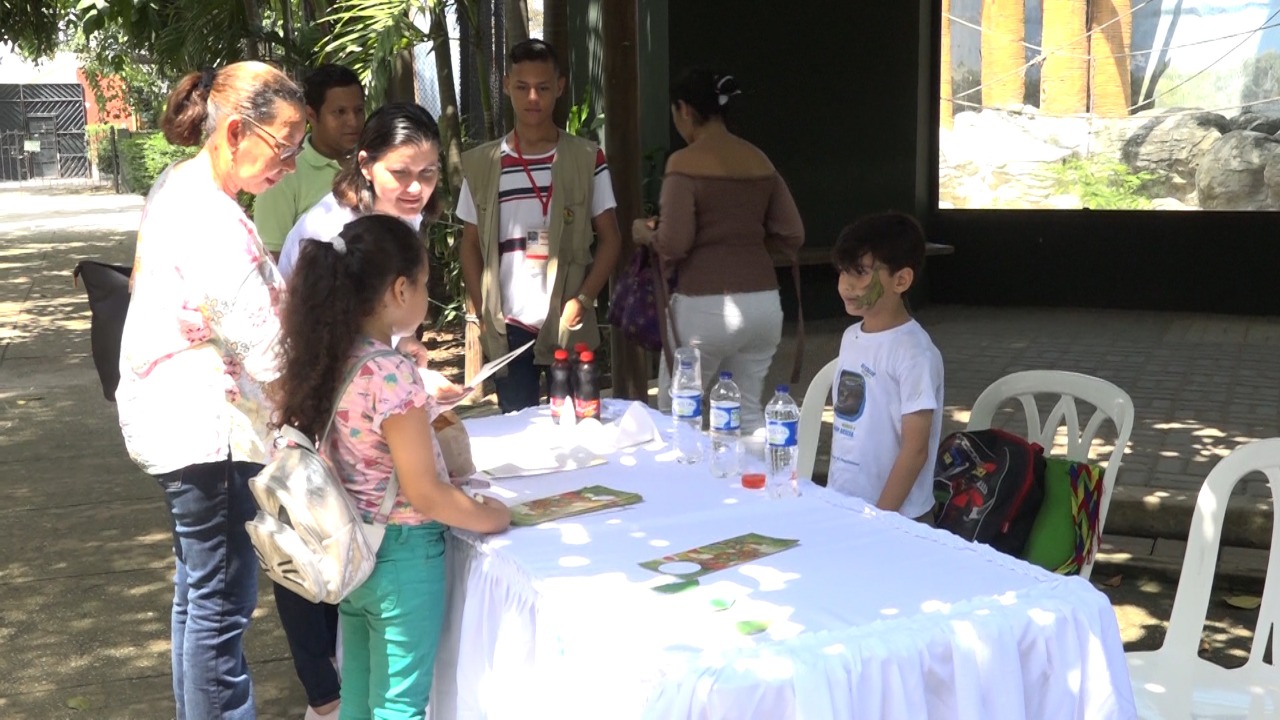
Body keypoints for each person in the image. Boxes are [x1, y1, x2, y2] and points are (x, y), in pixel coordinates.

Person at [115, 61, 305, 719]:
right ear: (231, 133)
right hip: (209, 431)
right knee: (220, 608)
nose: (289, 163)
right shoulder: (212, 216)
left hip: (180, 422)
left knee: (200, 600)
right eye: (283, 147)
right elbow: (265, 346)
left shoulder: (180, 184)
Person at [275, 214, 511, 720]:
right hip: (405, 558)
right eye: (425, 283)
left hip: (356, 552)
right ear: (400, 290)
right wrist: (491, 515)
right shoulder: (392, 376)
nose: (427, 294)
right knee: (400, 705)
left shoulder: (334, 355)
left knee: (358, 697)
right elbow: (424, 492)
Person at [273, 102, 457, 720]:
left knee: (364, 682)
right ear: (366, 165)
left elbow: (375, 331)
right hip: (342, 479)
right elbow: (312, 340)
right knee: (387, 694)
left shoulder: (401, 223)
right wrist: (399, 379)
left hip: (362, 501)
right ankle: (317, 696)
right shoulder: (327, 234)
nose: (416, 188)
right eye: (403, 172)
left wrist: (408, 360)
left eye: (429, 174)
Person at [632, 68, 804, 434]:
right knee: (749, 413)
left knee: (677, 414)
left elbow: (674, 243)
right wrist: (746, 240)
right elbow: (793, 234)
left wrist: (644, 234)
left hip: (703, 306)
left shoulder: (683, 163)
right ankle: (758, 487)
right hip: (764, 304)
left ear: (684, 110)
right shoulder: (760, 160)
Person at [458, 38, 622, 413]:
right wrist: (484, 309)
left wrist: (583, 298)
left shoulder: (585, 158)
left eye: (543, 87)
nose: (533, 97)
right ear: (505, 85)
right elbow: (468, 243)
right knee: (519, 430)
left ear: (560, 87)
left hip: (568, 318)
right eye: (522, 87)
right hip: (509, 323)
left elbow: (611, 238)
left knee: (580, 428)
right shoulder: (483, 165)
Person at [826, 211, 944, 522]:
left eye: (861, 273)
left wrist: (880, 519)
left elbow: (915, 449)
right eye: (843, 272)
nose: (847, 285)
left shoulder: (914, 352)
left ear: (901, 279)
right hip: (844, 505)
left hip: (898, 519)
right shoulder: (851, 337)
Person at [254, 63, 365, 259]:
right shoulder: (283, 175)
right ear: (311, 115)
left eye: (358, 110)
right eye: (340, 112)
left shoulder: (371, 166)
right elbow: (273, 258)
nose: (353, 122)